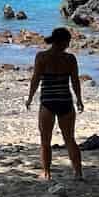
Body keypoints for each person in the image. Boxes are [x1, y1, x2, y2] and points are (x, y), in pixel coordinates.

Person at [25, 27, 84, 180]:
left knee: (45, 140)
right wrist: (79, 99)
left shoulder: (42, 57)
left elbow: (36, 79)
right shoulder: (70, 59)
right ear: (63, 41)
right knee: (70, 139)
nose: (69, 44)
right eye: (68, 41)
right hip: (66, 101)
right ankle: (78, 173)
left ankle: (46, 172)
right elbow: (75, 81)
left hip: (48, 102)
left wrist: (30, 98)